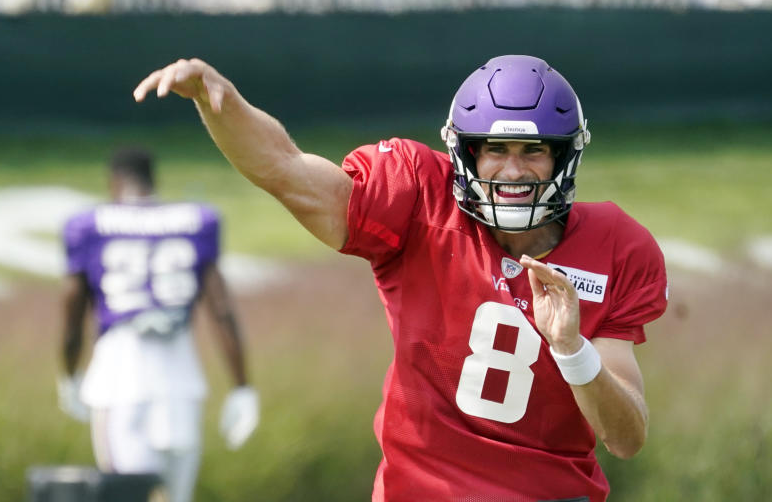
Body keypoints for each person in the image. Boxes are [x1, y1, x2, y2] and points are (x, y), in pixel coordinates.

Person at [133, 54, 668, 502]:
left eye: (533, 151)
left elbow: (625, 438)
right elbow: (286, 170)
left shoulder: (616, 245)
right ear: (466, 153)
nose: (512, 170)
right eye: (495, 150)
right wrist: (219, 102)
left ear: (563, 157)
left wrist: (574, 351)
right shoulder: (417, 196)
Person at [57, 147, 259, 502]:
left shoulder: (90, 225)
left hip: (121, 378)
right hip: (181, 379)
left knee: (128, 496)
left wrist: (69, 373)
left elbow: (72, 313)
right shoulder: (195, 220)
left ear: (113, 182)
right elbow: (222, 310)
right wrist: (242, 386)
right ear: (154, 181)